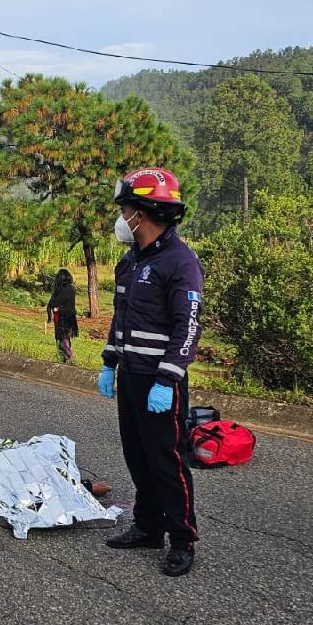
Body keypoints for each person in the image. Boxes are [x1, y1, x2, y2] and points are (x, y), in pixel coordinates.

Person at [97, 168, 204, 577]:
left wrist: (168, 378)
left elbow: (188, 325)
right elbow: (120, 318)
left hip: (161, 382)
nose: (121, 217)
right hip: (131, 376)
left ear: (141, 213)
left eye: (125, 208)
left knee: (167, 461)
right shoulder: (130, 263)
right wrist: (110, 362)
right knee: (138, 457)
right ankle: (147, 526)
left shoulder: (180, 261)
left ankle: (181, 539)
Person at [46, 268, 79, 363]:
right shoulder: (71, 288)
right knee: (66, 339)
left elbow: (54, 302)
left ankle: (68, 358)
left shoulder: (65, 290)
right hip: (70, 318)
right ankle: (64, 358)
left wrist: (56, 306)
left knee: (62, 340)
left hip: (62, 319)